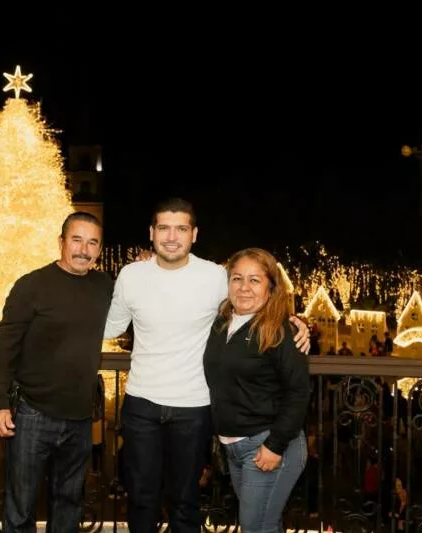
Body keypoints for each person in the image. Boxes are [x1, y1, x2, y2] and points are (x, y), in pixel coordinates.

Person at [103, 198, 309, 533]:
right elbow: (110, 326)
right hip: (142, 404)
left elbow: (258, 298)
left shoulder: (214, 276)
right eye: (164, 228)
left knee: (186, 502)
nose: (172, 237)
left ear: (194, 234)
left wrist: (296, 323)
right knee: (140, 498)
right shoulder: (132, 275)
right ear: (151, 233)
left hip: (194, 408)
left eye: (181, 229)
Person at [0, 211, 113, 533]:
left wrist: (145, 266)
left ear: (100, 249)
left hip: (80, 418)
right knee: (21, 509)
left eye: (92, 243)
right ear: (61, 242)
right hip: (32, 414)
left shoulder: (105, 287)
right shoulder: (31, 286)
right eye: (77, 240)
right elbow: (6, 346)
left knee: (69, 507)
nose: (84, 249)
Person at [203, 247, 310, 533]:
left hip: (267, 444)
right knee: (264, 525)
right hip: (234, 448)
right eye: (237, 278)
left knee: (256, 527)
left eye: (255, 280)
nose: (244, 287)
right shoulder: (220, 324)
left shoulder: (281, 331)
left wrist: (275, 445)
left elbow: (298, 392)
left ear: (271, 287)